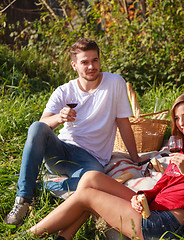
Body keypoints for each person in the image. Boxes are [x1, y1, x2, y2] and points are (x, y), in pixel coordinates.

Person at [19, 91, 184, 240]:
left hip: (162, 223)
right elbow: (164, 186)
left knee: (87, 196)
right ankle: (64, 237)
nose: (181, 123)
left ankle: (27, 235)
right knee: (91, 178)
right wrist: (143, 197)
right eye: (178, 118)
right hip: (153, 206)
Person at [4, 37, 143, 226]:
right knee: (36, 127)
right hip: (61, 150)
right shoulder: (64, 91)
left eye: (95, 60)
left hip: (91, 159)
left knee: (93, 184)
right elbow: (43, 124)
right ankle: (23, 199)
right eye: (84, 62)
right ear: (74, 65)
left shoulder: (114, 83)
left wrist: (135, 158)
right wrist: (59, 117)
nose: (91, 66)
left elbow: (123, 123)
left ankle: (41, 185)